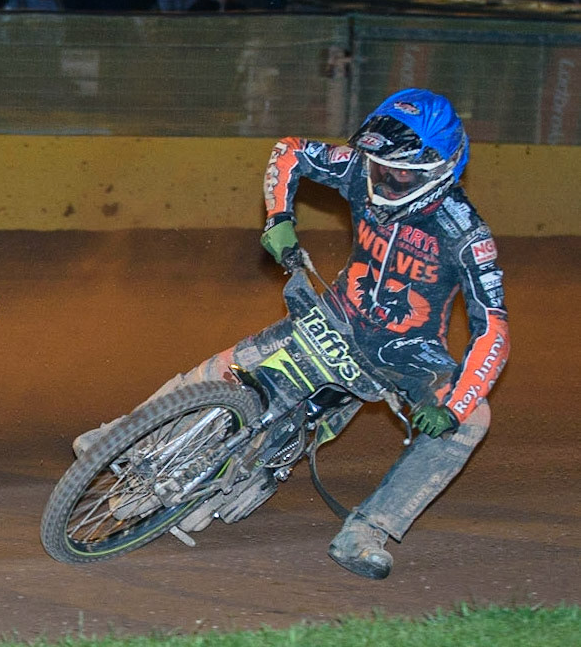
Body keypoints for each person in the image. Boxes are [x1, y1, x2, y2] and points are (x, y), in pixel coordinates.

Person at [81, 89, 506, 580]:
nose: (383, 178)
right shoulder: (360, 169)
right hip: (334, 315)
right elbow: (290, 150)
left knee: (473, 418)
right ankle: (119, 435)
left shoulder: (466, 235)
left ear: (439, 169)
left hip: (407, 355)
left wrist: (454, 405)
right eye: (378, 165)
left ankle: (367, 531)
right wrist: (279, 217)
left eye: (399, 172)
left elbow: (493, 327)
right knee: (230, 365)